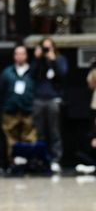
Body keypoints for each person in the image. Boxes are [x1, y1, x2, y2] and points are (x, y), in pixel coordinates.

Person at [31, 37, 68, 172]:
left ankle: (56, 159)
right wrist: (37, 58)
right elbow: (31, 75)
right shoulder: (38, 62)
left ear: (54, 47)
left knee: (54, 131)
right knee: (38, 132)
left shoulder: (60, 59)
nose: (47, 50)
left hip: (53, 99)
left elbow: (63, 74)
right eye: (44, 47)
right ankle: (41, 158)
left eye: (49, 47)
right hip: (39, 99)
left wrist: (53, 60)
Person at [0, 45, 36, 165]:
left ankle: (29, 161)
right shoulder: (7, 72)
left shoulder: (32, 71)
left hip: (28, 110)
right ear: (14, 56)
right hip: (10, 111)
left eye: (22, 53)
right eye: (17, 54)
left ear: (26, 55)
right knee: (11, 139)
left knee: (29, 138)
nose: (20, 56)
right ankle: (13, 162)